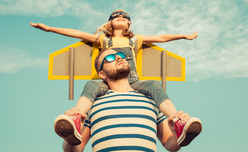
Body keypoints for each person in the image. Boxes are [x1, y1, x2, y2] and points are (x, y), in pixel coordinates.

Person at [30, 9, 198, 144]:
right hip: (106, 83)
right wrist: (50, 29)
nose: (120, 17)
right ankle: (76, 119)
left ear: (129, 24)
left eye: (125, 17)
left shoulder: (135, 39)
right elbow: (77, 34)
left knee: (154, 84)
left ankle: (178, 122)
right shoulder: (103, 38)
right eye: (116, 16)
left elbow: (161, 37)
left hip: (133, 82)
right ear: (109, 22)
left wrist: (183, 36)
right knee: (91, 85)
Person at [57, 49, 202, 152]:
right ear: (101, 74)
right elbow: (75, 149)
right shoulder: (94, 103)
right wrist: (70, 140)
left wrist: (177, 136)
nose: (118, 58)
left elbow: (170, 145)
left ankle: (179, 126)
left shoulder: (151, 100)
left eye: (119, 55)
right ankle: (74, 123)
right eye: (110, 59)